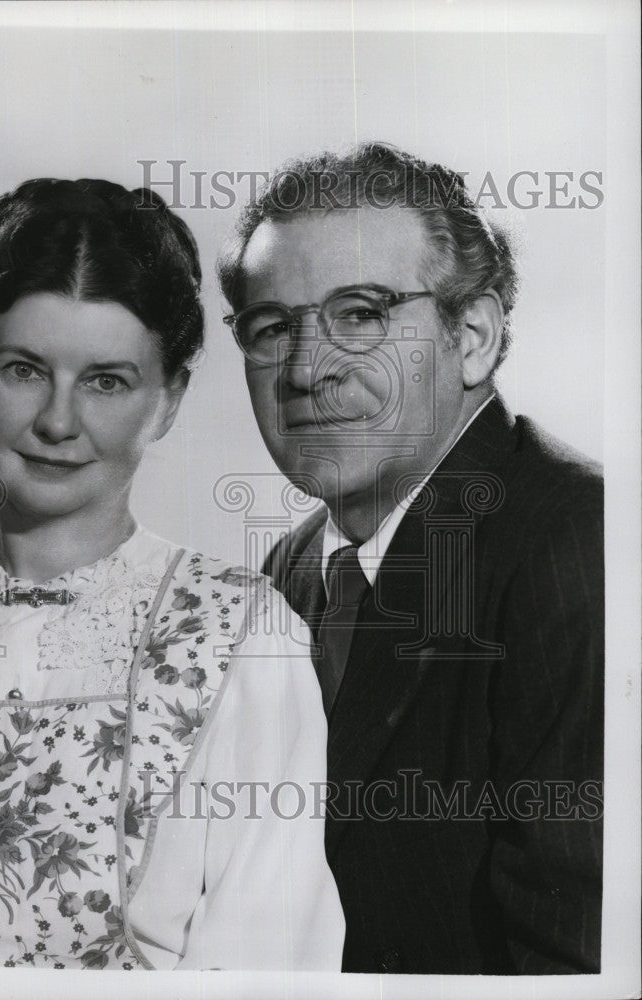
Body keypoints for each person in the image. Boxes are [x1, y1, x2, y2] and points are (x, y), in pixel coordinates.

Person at [0, 178, 344, 970]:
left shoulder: (242, 640)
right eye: (24, 370)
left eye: (106, 381)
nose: (58, 421)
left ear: (166, 401)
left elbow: (271, 972)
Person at [218, 142, 604, 975]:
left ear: (471, 337)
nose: (307, 369)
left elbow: (576, 961)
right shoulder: (285, 577)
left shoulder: (579, 542)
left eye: (360, 314)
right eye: (272, 326)